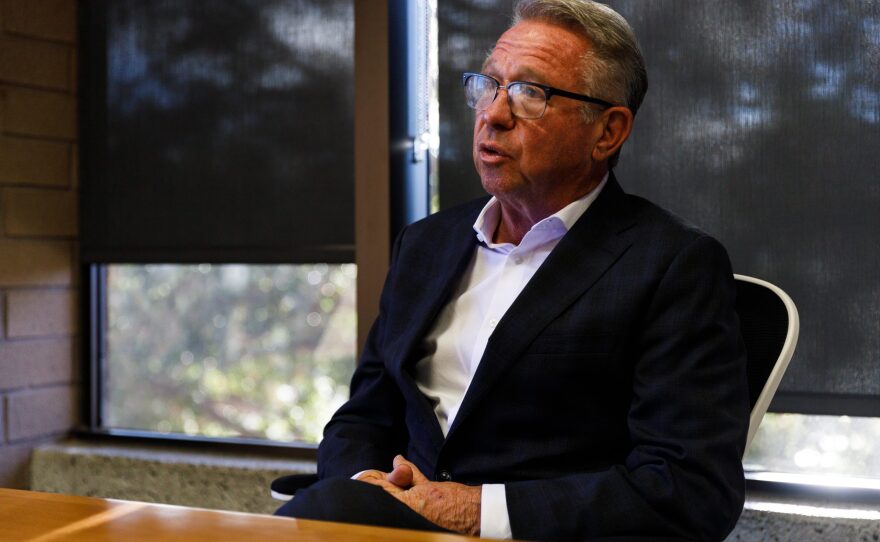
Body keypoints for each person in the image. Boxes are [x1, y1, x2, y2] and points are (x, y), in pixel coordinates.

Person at [276, 1, 749, 540]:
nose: (493, 113)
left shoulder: (671, 264)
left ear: (608, 131)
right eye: (489, 85)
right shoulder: (427, 244)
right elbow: (365, 415)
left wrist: (473, 510)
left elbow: (688, 489)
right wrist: (367, 487)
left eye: (531, 93)